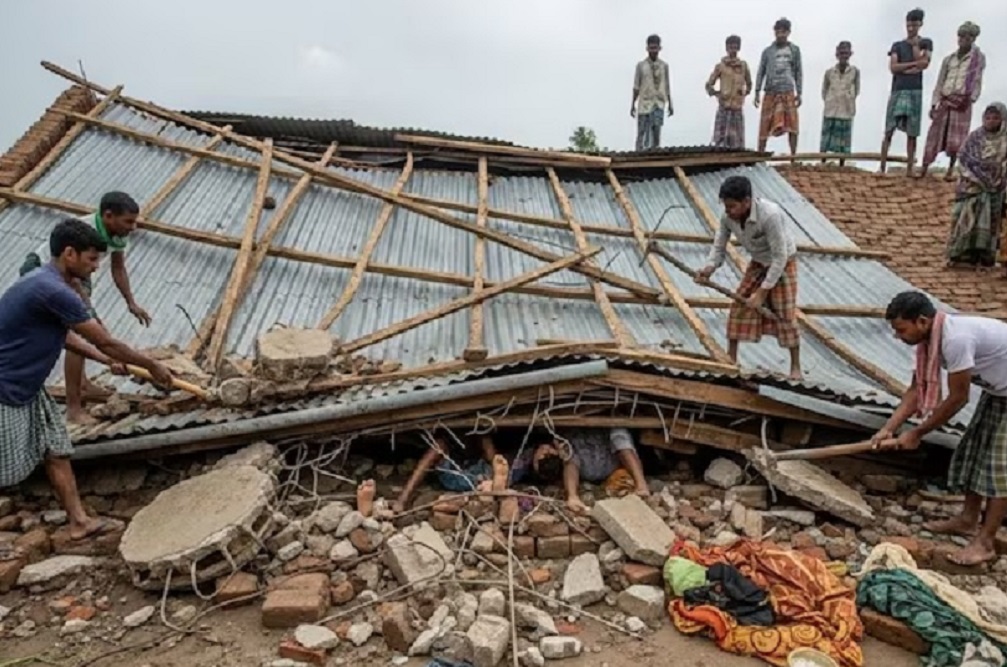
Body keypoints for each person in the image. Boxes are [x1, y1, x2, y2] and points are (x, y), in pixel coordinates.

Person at [0, 219, 173, 543]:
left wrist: (106, 361)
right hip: (6, 386)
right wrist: (152, 366)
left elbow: (66, 337)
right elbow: (104, 340)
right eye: (92, 259)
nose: (96, 267)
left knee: (56, 449)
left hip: (28, 385)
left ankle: (79, 521)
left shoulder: (48, 283)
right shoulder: (53, 290)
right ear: (69, 254)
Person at [874, 291, 1007, 567]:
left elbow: (958, 398)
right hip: (998, 392)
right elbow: (915, 391)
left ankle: (985, 543)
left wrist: (917, 433)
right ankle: (968, 519)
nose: (898, 336)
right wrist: (888, 429)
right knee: (975, 452)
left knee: (998, 468)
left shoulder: (955, 339)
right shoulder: (928, 344)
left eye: (901, 329)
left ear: (922, 321)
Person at [20, 192, 151, 425]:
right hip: (45, 269)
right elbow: (75, 289)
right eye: (128, 222)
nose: (133, 227)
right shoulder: (84, 231)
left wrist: (131, 302)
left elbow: (118, 268)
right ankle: (74, 408)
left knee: (87, 328)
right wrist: (98, 328)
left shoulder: (118, 234)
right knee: (79, 333)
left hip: (75, 275)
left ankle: (82, 383)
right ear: (108, 216)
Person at [697, 175, 801, 379]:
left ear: (746, 201)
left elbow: (780, 256)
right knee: (739, 306)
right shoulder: (727, 218)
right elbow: (719, 246)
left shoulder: (770, 215)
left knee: (785, 315)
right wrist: (709, 268)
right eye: (726, 206)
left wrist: (762, 293)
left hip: (783, 264)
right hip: (758, 262)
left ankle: (795, 367)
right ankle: (731, 359)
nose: (728, 210)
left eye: (732, 206)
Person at [509, 428, 649, 514]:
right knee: (571, 454)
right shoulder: (565, 451)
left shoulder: (547, 437)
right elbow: (570, 463)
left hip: (605, 449)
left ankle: (641, 486)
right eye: (548, 455)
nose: (547, 451)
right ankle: (573, 497)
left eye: (545, 454)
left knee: (619, 436)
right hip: (601, 464)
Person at [921, 22, 986, 180]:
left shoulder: (977, 59)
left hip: (962, 102)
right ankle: (924, 169)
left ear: (973, 38)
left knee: (957, 139)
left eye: (967, 37)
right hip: (945, 100)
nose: (962, 40)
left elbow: (977, 81)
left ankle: (950, 170)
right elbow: (940, 81)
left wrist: (971, 99)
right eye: (961, 36)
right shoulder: (949, 59)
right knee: (934, 136)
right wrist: (934, 103)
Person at [947, 103, 1007, 268]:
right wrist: (977, 177)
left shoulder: (1004, 139)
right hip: (971, 187)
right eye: (988, 118)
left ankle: (983, 256)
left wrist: (995, 177)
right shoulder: (974, 138)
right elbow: (964, 159)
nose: (991, 121)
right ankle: (961, 254)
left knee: (990, 223)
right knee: (965, 218)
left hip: (995, 188)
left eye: (995, 118)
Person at [880, 8, 933, 177]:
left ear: (920, 24)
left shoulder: (926, 43)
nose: (910, 28)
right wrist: (912, 65)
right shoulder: (897, 45)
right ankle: (882, 167)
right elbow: (894, 67)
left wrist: (916, 48)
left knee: (912, 131)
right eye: (909, 25)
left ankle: (910, 168)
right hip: (898, 88)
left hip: (915, 89)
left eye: (914, 25)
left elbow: (924, 63)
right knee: (889, 128)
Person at [754, 18, 803, 155]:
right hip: (771, 90)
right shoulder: (768, 51)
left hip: (787, 90)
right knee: (764, 124)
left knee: (793, 125)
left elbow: (798, 71)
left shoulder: (794, 50)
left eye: (783, 32)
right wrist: (757, 91)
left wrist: (799, 92)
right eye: (778, 32)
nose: (780, 35)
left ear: (788, 32)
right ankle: (760, 155)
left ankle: (793, 156)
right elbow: (761, 71)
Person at [706, 35, 752, 149]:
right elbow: (709, 84)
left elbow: (749, 83)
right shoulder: (721, 66)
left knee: (737, 141)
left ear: (739, 48)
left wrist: (743, 93)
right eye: (731, 47)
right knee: (721, 139)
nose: (733, 49)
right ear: (726, 48)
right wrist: (717, 94)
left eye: (735, 47)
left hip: (737, 107)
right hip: (724, 106)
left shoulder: (743, 66)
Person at [631, 34, 673, 151]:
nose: (653, 51)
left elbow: (667, 86)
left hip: (659, 102)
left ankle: (655, 153)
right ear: (647, 48)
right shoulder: (641, 66)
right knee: (642, 132)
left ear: (660, 48)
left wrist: (670, 104)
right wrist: (632, 104)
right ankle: (639, 154)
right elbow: (636, 87)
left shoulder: (664, 66)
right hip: (644, 104)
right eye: (651, 48)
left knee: (656, 132)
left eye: (655, 48)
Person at [820, 41, 860, 157]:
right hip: (831, 109)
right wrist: (829, 99)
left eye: (846, 53)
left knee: (843, 142)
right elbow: (824, 90)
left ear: (850, 54)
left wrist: (849, 96)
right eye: (841, 53)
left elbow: (857, 89)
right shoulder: (829, 72)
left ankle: (842, 164)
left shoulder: (854, 72)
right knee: (826, 139)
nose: (843, 56)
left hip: (846, 108)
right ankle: (823, 161)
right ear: (837, 54)